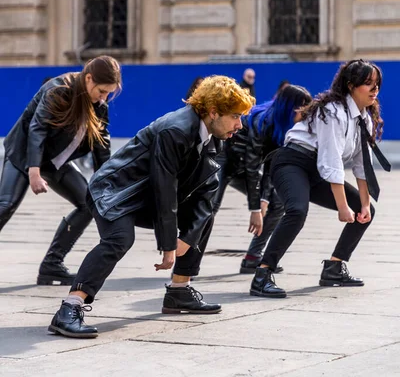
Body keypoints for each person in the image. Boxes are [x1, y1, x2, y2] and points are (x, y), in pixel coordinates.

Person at [49, 75, 255, 339]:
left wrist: (187, 238)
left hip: (143, 195)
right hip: (115, 192)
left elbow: (206, 192)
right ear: (213, 112)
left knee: (203, 217)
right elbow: (163, 186)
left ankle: (179, 291)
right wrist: (169, 244)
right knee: (119, 239)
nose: (239, 125)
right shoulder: (176, 130)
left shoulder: (216, 134)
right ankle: (69, 308)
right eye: (235, 116)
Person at [250, 59, 391, 299]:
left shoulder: (364, 119)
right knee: (296, 210)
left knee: (366, 212)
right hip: (292, 162)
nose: (374, 89)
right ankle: (262, 275)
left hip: (316, 170)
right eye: (368, 84)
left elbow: (362, 165)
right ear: (350, 85)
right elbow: (331, 160)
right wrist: (342, 206)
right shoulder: (332, 111)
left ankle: (334, 268)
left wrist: (364, 204)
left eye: (377, 84)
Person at [0, 56, 122, 286]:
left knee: (87, 204)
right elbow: (37, 129)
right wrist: (33, 171)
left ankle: (52, 266)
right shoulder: (59, 90)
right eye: (102, 91)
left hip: (56, 161)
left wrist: (106, 185)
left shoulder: (99, 106)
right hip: (24, 153)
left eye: (109, 93)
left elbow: (101, 146)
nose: (104, 97)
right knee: (5, 205)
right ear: (88, 79)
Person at [212, 85, 312, 274]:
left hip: (244, 165)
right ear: (290, 107)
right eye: (302, 110)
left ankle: (253, 258)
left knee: (277, 202)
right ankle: (186, 263)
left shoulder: (282, 128)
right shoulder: (262, 122)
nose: (305, 116)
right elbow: (252, 165)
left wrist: (265, 199)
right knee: (209, 208)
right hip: (224, 158)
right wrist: (256, 208)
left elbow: (270, 166)